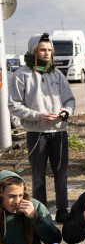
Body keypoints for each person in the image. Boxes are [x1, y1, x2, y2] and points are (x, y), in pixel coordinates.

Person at [8, 33, 76, 223]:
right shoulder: (21, 75)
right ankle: (41, 211)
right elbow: (14, 105)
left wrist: (66, 112)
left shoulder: (57, 74)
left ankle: (63, 209)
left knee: (61, 174)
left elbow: (70, 100)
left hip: (59, 132)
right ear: (33, 51)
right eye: (42, 50)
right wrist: (38, 116)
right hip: (36, 134)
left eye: (49, 50)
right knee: (38, 176)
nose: (47, 54)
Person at [0, 170, 60, 244]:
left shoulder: (34, 206)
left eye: (20, 195)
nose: (17, 201)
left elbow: (54, 240)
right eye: (11, 196)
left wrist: (34, 217)